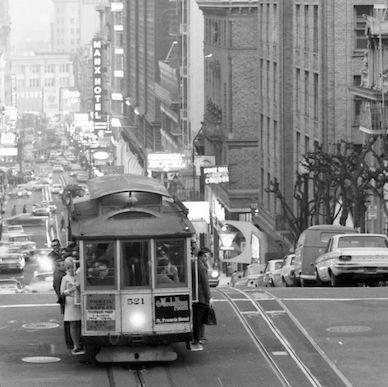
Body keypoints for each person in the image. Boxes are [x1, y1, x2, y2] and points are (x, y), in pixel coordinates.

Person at [60, 257, 84, 355]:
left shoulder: (79, 275)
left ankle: (81, 344)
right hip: (70, 303)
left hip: (80, 302)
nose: (71, 269)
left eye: (72, 267)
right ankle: (76, 345)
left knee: (81, 324)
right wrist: (70, 290)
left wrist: (78, 287)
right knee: (73, 324)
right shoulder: (65, 278)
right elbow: (62, 292)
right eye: (69, 267)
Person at [189, 248, 212, 351]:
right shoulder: (201, 267)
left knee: (197, 318)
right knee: (199, 319)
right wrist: (209, 297)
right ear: (200, 256)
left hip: (194, 295)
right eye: (205, 256)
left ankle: (197, 338)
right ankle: (197, 339)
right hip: (200, 296)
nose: (207, 258)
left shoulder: (194, 264)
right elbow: (205, 283)